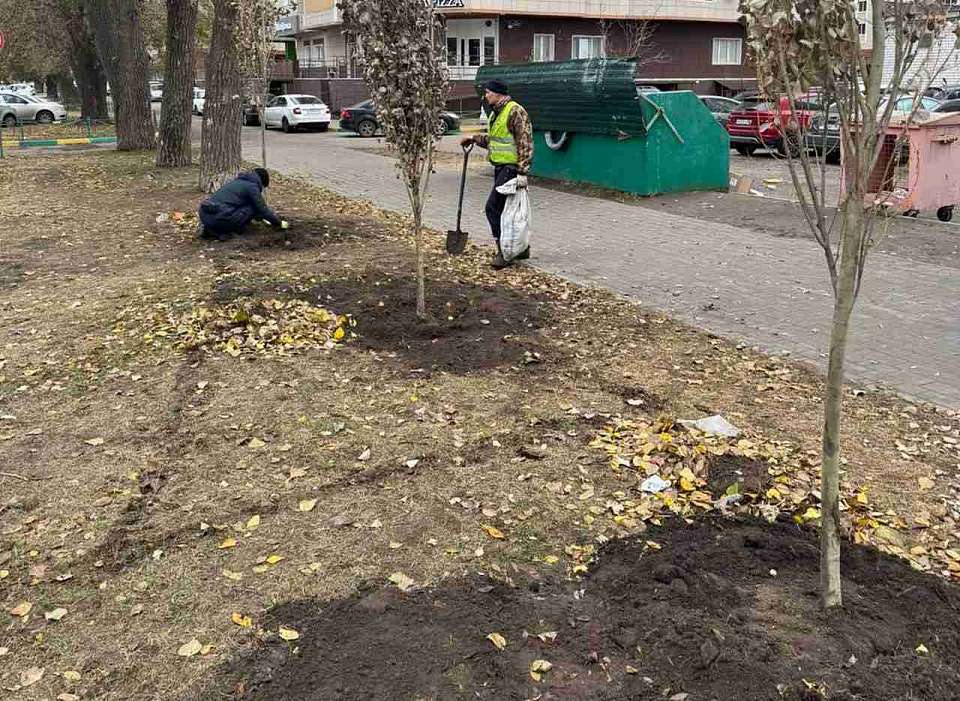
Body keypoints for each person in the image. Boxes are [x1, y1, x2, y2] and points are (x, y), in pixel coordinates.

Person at [461, 79, 533, 269]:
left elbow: (525, 142)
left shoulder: (515, 111)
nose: (486, 96)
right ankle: (520, 248)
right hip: (500, 168)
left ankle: (504, 252)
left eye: (488, 93)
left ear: (497, 93)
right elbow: (495, 141)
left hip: (511, 169)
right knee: (509, 211)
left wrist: (522, 172)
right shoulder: (496, 113)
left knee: (493, 208)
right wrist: (474, 139)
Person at [197, 168, 288, 241]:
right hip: (221, 218)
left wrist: (260, 217)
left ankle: (212, 231)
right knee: (253, 206)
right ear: (262, 181)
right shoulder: (252, 187)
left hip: (205, 215)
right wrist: (278, 223)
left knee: (240, 208)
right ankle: (229, 231)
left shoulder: (238, 182)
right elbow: (262, 209)